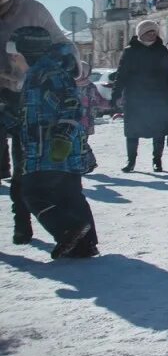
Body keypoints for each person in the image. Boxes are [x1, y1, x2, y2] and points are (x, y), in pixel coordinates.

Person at [2, 28, 97, 258]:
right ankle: (85, 244)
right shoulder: (42, 73)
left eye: (15, 54)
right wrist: (6, 116)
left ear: (28, 52)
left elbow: (72, 106)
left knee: (34, 193)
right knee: (70, 194)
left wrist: (62, 136)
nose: (13, 59)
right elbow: (33, 114)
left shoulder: (46, 73)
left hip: (51, 148)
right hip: (50, 146)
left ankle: (69, 230)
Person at [1, 0, 76, 182]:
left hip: (25, 93)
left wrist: (41, 71)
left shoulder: (30, 9)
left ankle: (23, 211)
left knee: (24, 162)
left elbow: (62, 46)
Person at [111, 19, 168, 173]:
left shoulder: (161, 51)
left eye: (154, 32)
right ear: (141, 34)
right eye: (149, 32)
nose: (152, 35)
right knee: (132, 131)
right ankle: (131, 162)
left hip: (158, 98)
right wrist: (115, 95)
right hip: (135, 98)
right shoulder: (130, 51)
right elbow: (121, 75)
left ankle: (157, 161)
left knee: (159, 131)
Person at [73, 61, 106, 173]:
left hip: (86, 120)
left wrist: (113, 103)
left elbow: (99, 101)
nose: (80, 74)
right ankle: (85, 164)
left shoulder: (90, 87)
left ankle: (89, 163)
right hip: (72, 120)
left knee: (82, 143)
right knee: (76, 143)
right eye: (78, 71)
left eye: (83, 72)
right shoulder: (70, 85)